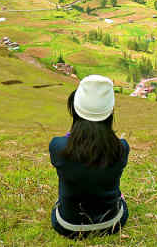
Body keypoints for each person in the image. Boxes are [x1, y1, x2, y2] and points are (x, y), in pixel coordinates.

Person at [49, 75, 129, 238]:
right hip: (112, 223)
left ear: (76, 109)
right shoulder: (121, 148)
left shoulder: (58, 147)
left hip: (68, 226)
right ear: (110, 112)